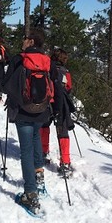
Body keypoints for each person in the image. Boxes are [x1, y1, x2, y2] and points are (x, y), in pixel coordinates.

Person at [2, 28, 60, 214]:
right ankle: (39, 174)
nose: (23, 40)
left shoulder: (19, 59)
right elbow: (56, 80)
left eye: (25, 38)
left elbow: (6, 85)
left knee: (26, 150)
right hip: (41, 111)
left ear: (31, 41)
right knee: (36, 139)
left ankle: (30, 193)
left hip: (23, 111)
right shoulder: (47, 61)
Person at [40, 48, 76, 177]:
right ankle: (65, 162)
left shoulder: (47, 69)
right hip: (61, 105)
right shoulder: (66, 73)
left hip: (47, 101)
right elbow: (69, 88)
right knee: (63, 132)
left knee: (44, 127)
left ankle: (43, 152)